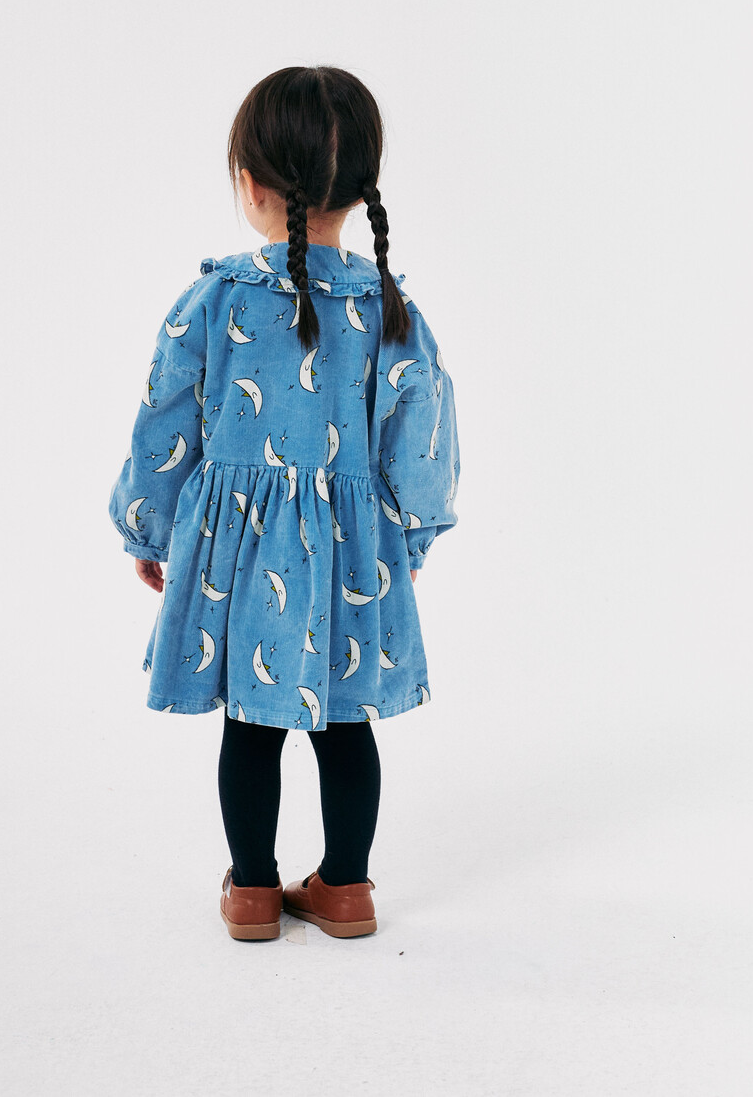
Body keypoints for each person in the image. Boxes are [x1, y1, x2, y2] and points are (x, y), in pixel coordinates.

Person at [108, 66, 460, 940]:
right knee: (345, 722)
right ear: (363, 189)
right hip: (351, 552)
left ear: (250, 183)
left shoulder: (212, 299)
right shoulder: (390, 310)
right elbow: (422, 436)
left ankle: (255, 891)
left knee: (250, 722)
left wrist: (149, 528)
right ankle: (346, 888)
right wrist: (409, 539)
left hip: (239, 552)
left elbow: (163, 425)